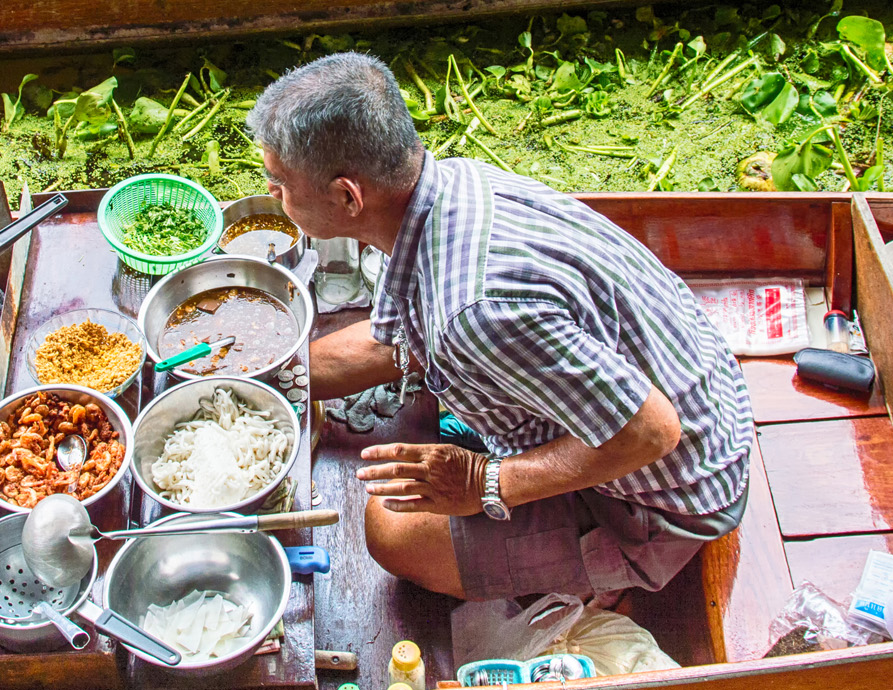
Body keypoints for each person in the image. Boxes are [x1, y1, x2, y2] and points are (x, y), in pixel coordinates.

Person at [246, 53, 755, 601]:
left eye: (279, 183)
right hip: (696, 379)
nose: (274, 194)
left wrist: (486, 483)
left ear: (348, 196)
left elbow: (653, 431)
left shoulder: (475, 314)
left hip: (670, 490)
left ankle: (611, 564)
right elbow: (403, 336)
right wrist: (263, 378)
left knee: (390, 529)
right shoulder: (448, 184)